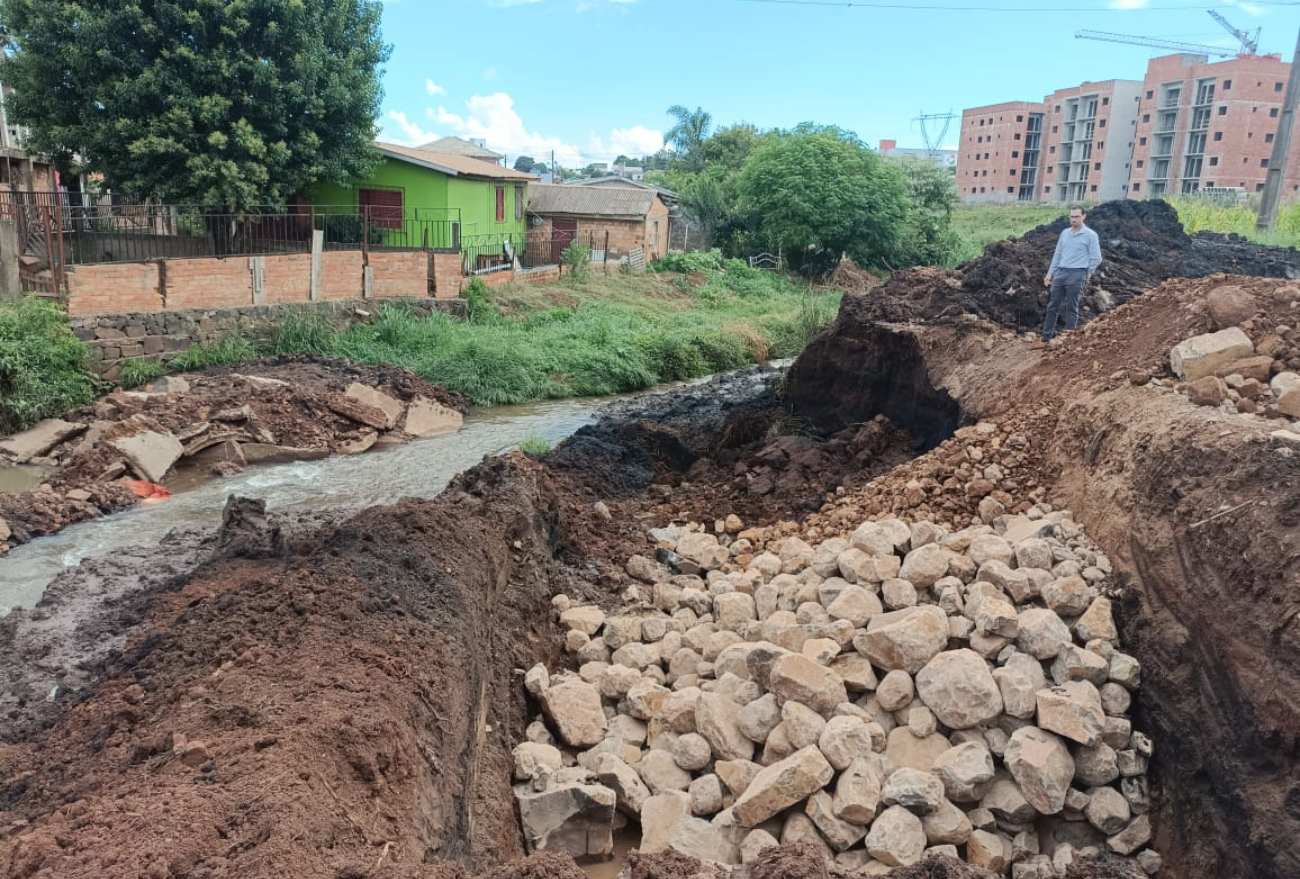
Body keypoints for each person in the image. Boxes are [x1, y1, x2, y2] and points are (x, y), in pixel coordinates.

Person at [1040, 206, 1102, 343]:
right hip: (1061, 273)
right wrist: (1050, 273)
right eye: (1071, 217)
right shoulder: (1065, 233)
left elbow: (1097, 258)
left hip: (1077, 273)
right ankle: (1046, 337)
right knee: (1052, 305)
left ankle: (1068, 339)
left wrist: (1087, 272)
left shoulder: (1090, 235)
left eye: (1077, 217)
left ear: (1084, 217)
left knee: (1071, 306)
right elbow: (1057, 255)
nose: (1073, 219)